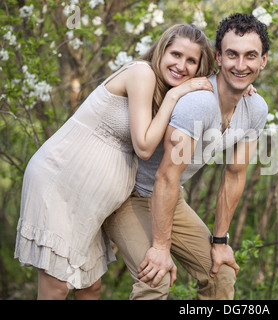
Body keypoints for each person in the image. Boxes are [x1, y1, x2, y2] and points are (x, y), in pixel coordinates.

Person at [14, 24, 217, 300]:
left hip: (92, 201)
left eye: (191, 61)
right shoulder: (142, 73)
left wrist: (242, 90)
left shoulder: (165, 91)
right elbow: (144, 147)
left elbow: (223, 83)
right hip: (60, 182)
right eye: (176, 54)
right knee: (57, 286)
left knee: (90, 287)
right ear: (161, 51)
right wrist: (174, 95)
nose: (181, 65)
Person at [103, 13, 270, 300]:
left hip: (171, 198)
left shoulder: (256, 109)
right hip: (128, 195)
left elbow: (235, 174)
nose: (240, 65)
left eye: (250, 56)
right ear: (218, 57)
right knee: (155, 278)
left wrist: (220, 242)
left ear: (263, 60)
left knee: (222, 273)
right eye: (232, 55)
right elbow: (166, 176)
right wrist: (160, 247)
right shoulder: (198, 103)